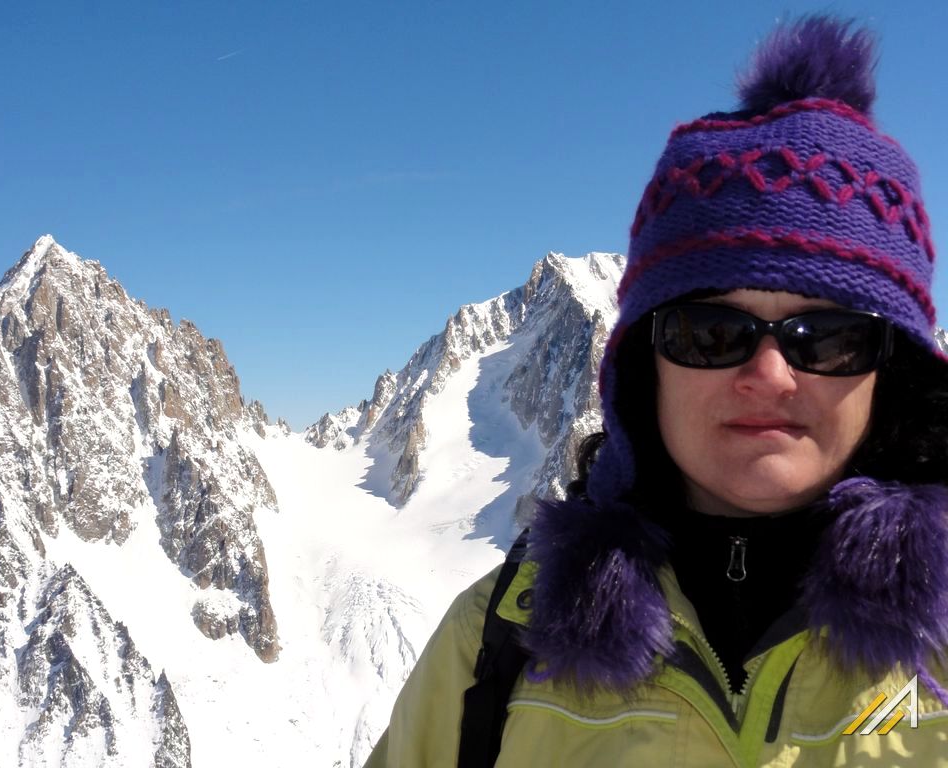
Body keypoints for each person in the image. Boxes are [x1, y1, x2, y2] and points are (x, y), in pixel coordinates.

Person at [365, 16, 948, 767]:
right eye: (711, 332)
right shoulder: (496, 640)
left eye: (829, 337)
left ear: (892, 372)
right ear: (647, 365)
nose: (769, 375)